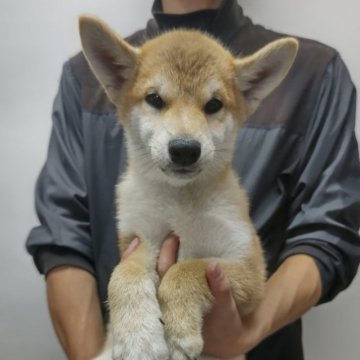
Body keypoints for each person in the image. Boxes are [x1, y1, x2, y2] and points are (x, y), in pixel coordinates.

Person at [26, 0, 360, 359]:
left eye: (212, 105)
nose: (185, 137)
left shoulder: (315, 71)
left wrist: (241, 333)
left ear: (250, 93)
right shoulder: (82, 78)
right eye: (156, 99)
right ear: (115, 76)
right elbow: (64, 241)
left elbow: (328, 237)